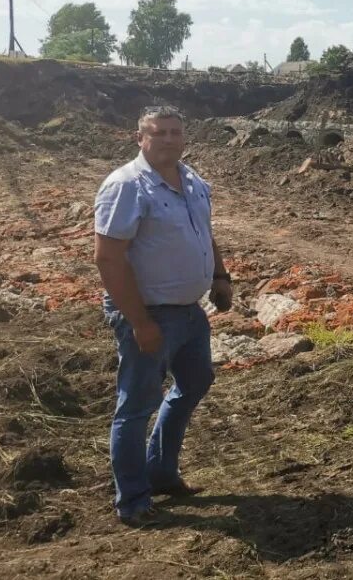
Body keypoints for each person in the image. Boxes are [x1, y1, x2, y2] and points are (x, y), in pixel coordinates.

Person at [93, 104, 233, 526]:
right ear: (140, 138)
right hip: (150, 312)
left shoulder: (192, 180)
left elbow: (203, 231)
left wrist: (220, 275)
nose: (169, 139)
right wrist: (140, 323)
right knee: (136, 405)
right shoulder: (126, 187)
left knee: (195, 381)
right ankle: (133, 500)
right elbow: (108, 259)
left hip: (189, 311)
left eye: (175, 132)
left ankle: (161, 472)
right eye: (159, 133)